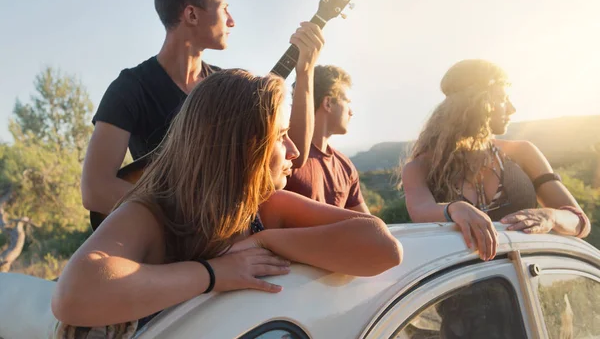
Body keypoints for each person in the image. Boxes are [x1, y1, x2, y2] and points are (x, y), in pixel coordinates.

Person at [52, 70, 403, 330]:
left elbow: (383, 247)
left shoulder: (265, 211)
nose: (295, 151)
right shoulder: (151, 213)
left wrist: (265, 241)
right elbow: (73, 296)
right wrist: (214, 273)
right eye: (281, 137)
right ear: (243, 148)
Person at [81, 0, 321, 217]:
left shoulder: (223, 87)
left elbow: (293, 155)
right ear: (192, 15)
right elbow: (96, 189)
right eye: (224, 8)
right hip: (175, 244)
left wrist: (305, 73)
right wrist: (189, 217)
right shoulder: (130, 88)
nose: (232, 21)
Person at [401, 59, 591, 261]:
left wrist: (550, 217)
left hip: (526, 282)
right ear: (477, 102)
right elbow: (421, 210)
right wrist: (455, 208)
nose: (512, 108)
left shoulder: (523, 152)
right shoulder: (420, 167)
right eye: (502, 98)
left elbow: (579, 222)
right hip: (457, 286)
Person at [285, 65, 369, 213]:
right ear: (328, 103)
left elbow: (367, 224)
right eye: (347, 102)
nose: (351, 111)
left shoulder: (345, 166)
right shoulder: (286, 157)